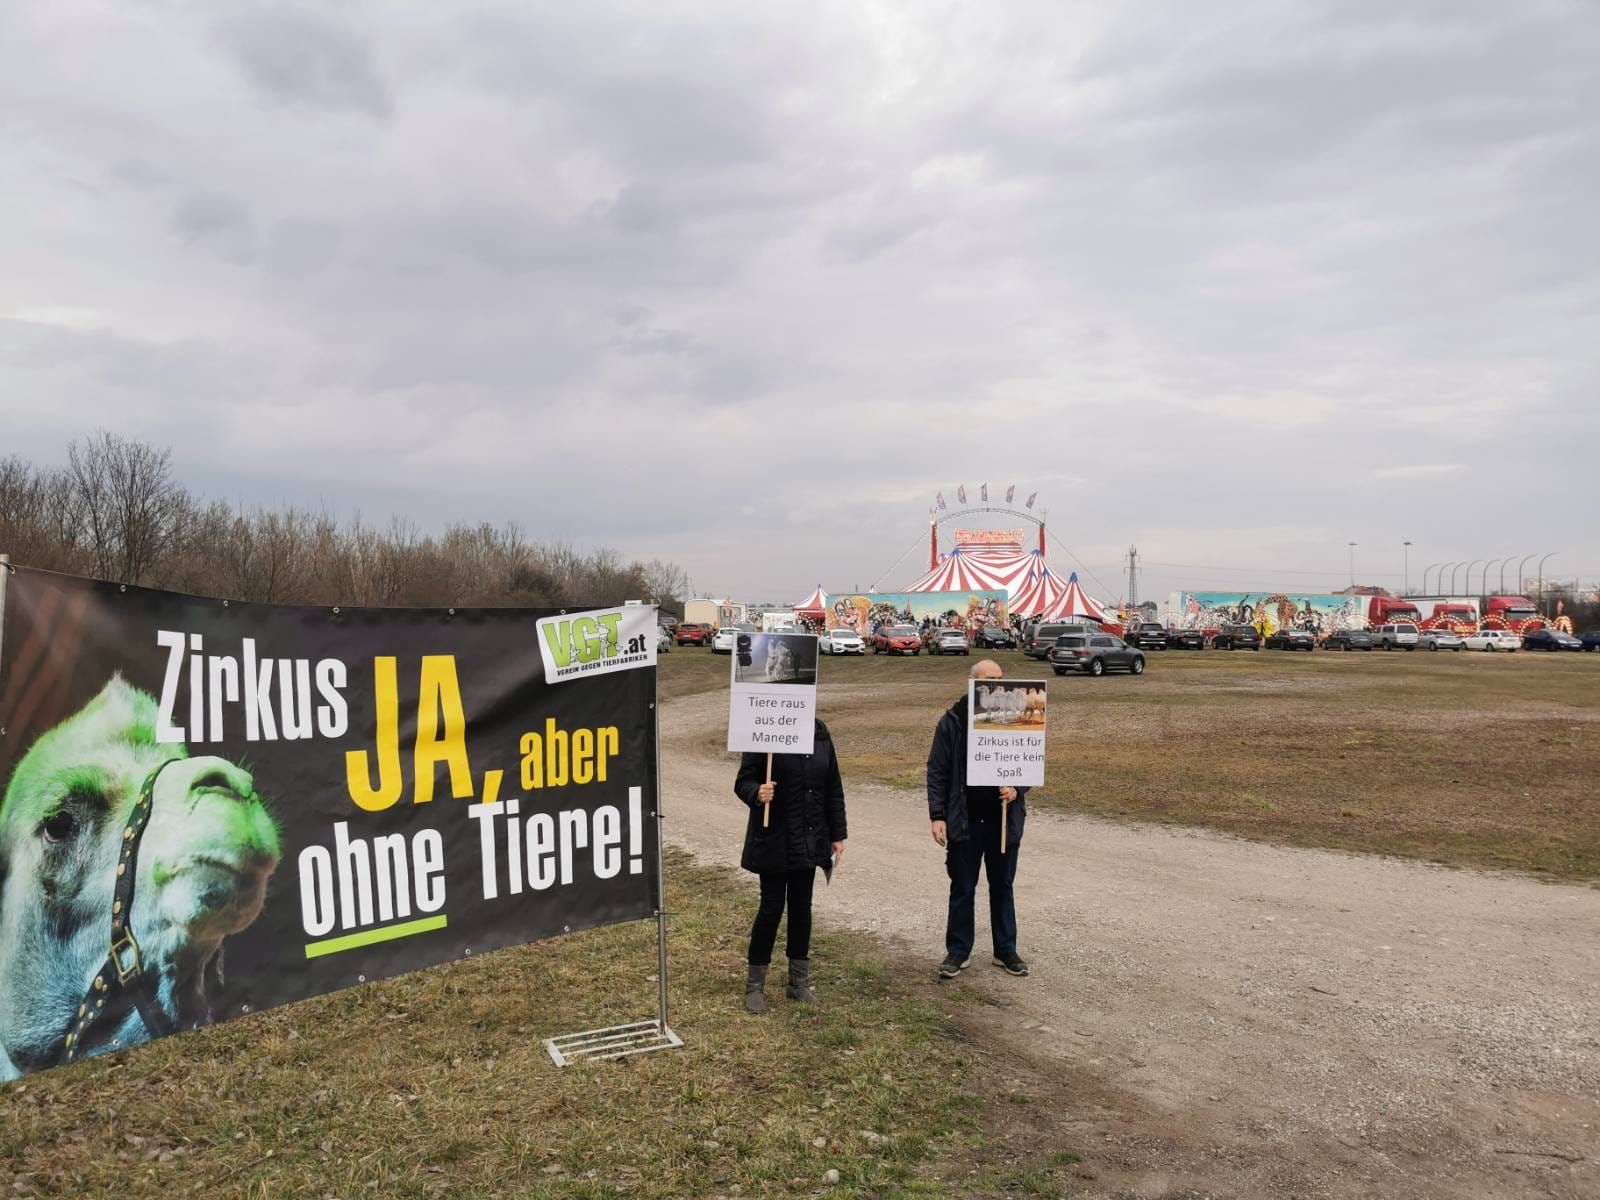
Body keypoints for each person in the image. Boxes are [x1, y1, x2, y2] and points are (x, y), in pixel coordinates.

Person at [734, 720, 847, 1013]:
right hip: (774, 838)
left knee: (801, 907)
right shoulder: (765, 728)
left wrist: (838, 834)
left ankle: (798, 983)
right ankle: (755, 985)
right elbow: (743, 781)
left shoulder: (820, 732)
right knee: (771, 908)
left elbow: (833, 786)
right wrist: (756, 792)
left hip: (809, 837)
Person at [926, 659, 1029, 979]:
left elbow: (1028, 759)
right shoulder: (953, 720)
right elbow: (937, 770)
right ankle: (958, 951)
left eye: (1000, 679)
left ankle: (1005, 949)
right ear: (971, 682)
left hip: (1002, 819)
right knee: (962, 887)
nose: (996, 686)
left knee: (1002, 885)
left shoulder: (1017, 715)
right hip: (964, 820)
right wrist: (937, 815)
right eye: (988, 680)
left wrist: (1018, 788)